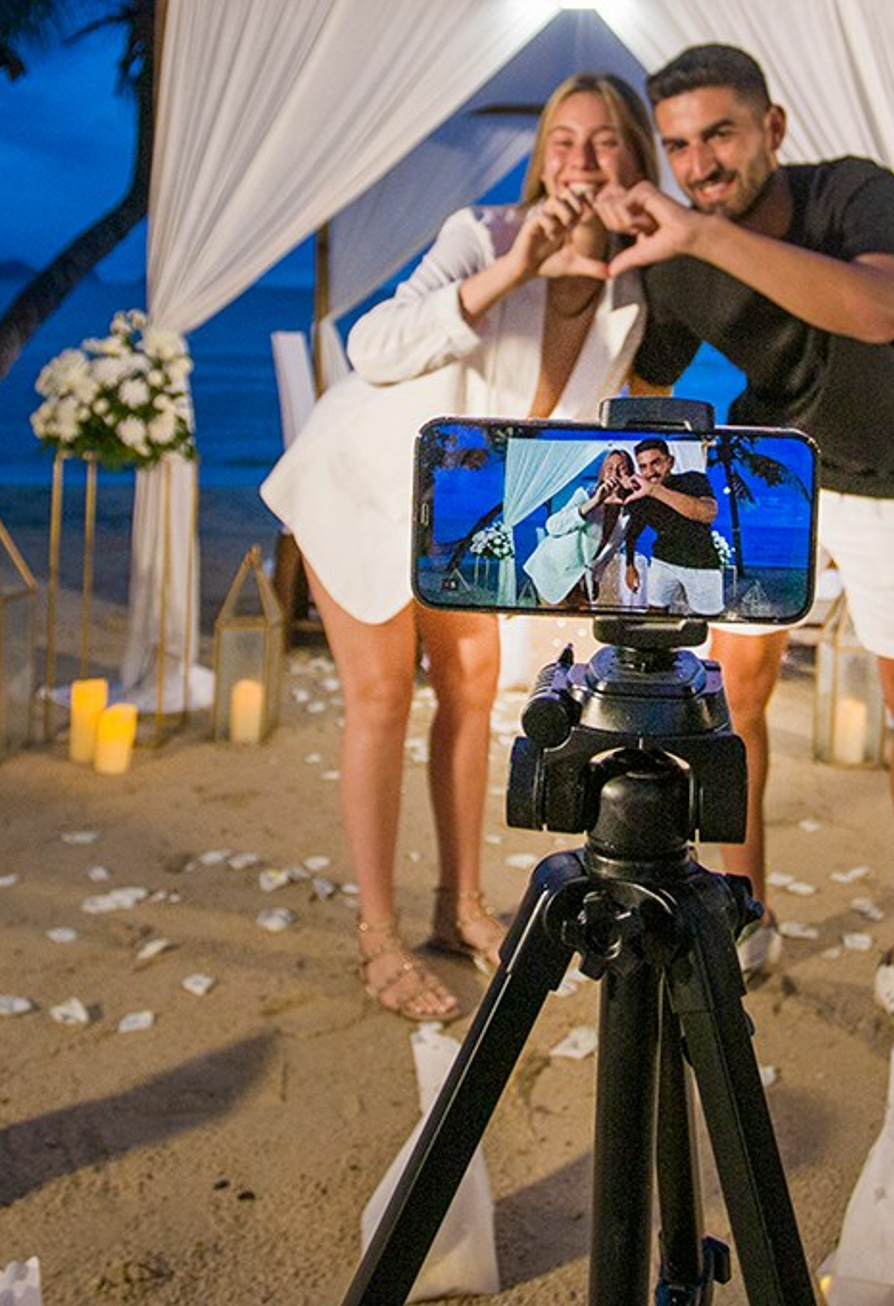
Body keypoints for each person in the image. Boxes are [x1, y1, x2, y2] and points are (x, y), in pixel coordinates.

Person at [594, 43, 894, 1071]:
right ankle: (747, 910)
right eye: (676, 144)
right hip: (774, 480)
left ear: (773, 127)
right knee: (738, 696)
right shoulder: (674, 247)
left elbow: (878, 308)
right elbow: (649, 391)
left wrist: (706, 237)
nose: (698, 161)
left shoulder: (853, 192)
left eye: (718, 132)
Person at [261, 73, 659, 1020]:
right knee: (382, 695)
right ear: (540, 158)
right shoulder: (481, 232)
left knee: (475, 692)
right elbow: (373, 346)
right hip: (364, 483)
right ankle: (377, 936)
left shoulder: (635, 288)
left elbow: (580, 432)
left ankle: (458, 906)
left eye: (605, 143)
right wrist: (513, 270)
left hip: (467, 513)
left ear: (635, 162)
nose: (581, 160)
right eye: (564, 141)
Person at [621, 435, 725, 616]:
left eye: (656, 463)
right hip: (663, 560)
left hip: (701, 564)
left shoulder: (693, 479)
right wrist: (630, 565)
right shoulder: (641, 495)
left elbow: (708, 513)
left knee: (708, 619)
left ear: (670, 462)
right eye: (643, 466)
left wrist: (655, 490)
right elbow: (633, 531)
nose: (650, 471)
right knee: (654, 613)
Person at [524, 448, 637, 610]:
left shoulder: (628, 512)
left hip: (581, 581)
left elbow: (609, 550)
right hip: (553, 572)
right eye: (610, 468)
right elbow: (553, 527)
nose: (615, 473)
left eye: (622, 468)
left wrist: (596, 579)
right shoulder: (585, 495)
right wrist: (595, 502)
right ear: (603, 473)